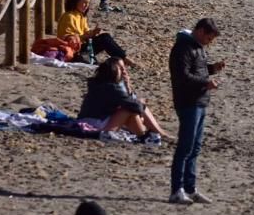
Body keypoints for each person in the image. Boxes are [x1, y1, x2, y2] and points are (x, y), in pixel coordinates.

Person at [169, 18, 224, 205]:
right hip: (188, 102)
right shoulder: (182, 48)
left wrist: (212, 69)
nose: (209, 42)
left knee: (195, 148)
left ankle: (190, 189)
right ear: (200, 31)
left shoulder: (197, 47)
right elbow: (182, 76)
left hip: (200, 102)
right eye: (209, 38)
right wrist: (205, 83)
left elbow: (198, 71)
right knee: (185, 147)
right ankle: (176, 190)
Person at [78, 57, 168, 143]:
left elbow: (130, 101)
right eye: (121, 68)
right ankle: (148, 135)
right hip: (94, 123)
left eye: (124, 67)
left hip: (94, 120)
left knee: (132, 111)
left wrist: (128, 86)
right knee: (130, 109)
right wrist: (139, 103)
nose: (124, 70)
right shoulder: (111, 88)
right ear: (113, 70)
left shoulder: (102, 84)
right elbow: (135, 105)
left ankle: (145, 135)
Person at [57, 0, 130, 64]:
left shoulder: (81, 16)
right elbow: (69, 40)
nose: (86, 6)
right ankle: (124, 59)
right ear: (76, 1)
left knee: (105, 37)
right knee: (104, 38)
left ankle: (122, 57)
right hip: (73, 50)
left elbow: (85, 33)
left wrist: (93, 33)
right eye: (84, 2)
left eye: (88, 3)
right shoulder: (69, 16)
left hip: (81, 47)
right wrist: (87, 36)